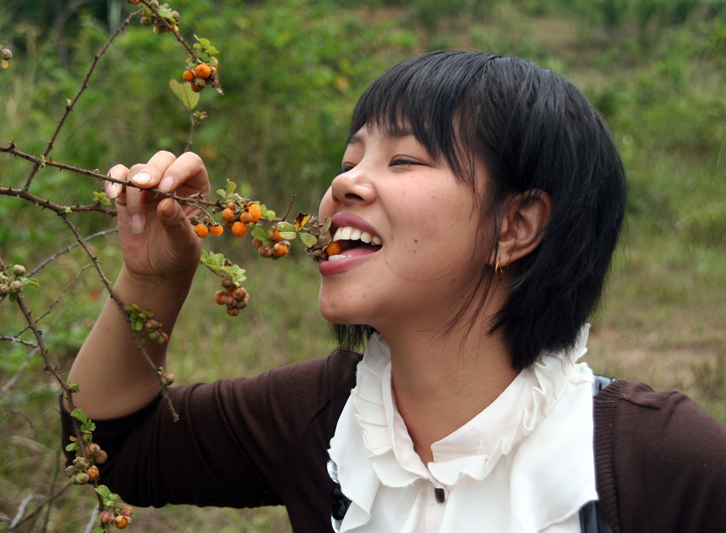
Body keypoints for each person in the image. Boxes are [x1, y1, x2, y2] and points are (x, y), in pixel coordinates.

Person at [61, 50, 726, 532]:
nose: (344, 184)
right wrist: (154, 279)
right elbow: (106, 447)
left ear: (516, 225)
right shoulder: (326, 416)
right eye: (349, 161)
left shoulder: (656, 460)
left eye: (403, 159)